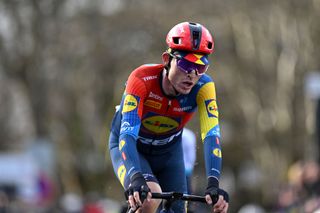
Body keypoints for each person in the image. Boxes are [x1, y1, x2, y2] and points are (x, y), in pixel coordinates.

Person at [108, 22, 229, 213]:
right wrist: (135, 175)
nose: (192, 74)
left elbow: (212, 135)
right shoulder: (141, 79)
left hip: (169, 151)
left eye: (201, 67)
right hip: (133, 148)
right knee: (148, 198)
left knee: (179, 210)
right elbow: (127, 136)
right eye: (185, 64)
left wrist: (213, 182)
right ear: (167, 59)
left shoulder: (204, 87)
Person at [181, 128, 196, 194]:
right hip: (186, 170)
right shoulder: (189, 134)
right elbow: (191, 155)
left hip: (170, 168)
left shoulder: (187, 134)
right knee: (186, 198)